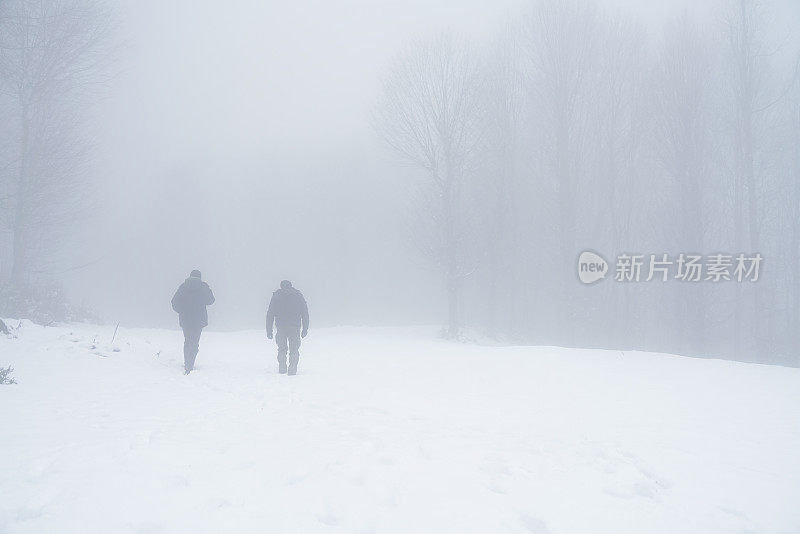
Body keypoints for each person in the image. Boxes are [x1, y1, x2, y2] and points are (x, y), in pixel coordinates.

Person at [171, 270, 215, 374]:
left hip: (185, 319)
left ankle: (188, 364)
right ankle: (190, 364)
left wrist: (181, 311)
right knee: (194, 342)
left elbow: (174, 302)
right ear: (200, 277)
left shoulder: (183, 286)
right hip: (199, 320)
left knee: (187, 340)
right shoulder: (203, 286)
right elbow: (211, 301)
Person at [266, 280, 309, 375]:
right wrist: (305, 328)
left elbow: (270, 313)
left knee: (282, 348)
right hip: (295, 326)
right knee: (294, 349)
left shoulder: (277, 296)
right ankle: (292, 368)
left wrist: (269, 330)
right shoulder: (298, 295)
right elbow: (305, 313)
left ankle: (282, 367)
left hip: (281, 326)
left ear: (281, 286)